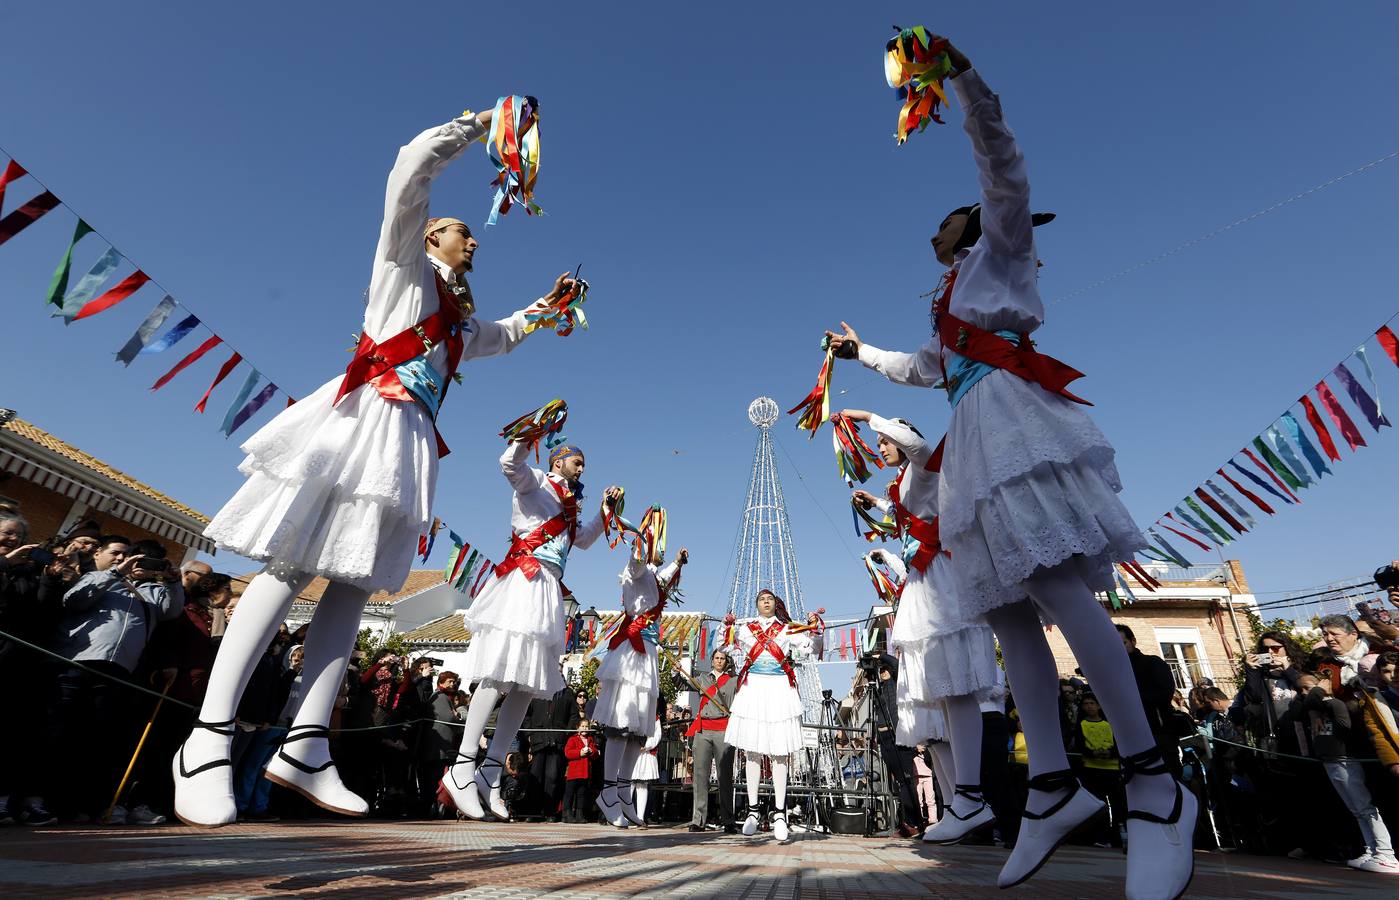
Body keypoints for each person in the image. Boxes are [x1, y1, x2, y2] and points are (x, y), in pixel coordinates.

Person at [826, 35, 1194, 897]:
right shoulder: (949, 297)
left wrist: (959, 79)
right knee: (1004, 610)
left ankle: (1151, 781)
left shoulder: (1000, 245)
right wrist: (857, 352)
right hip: (972, 429)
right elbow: (922, 367)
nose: (936, 227)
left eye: (943, 218)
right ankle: (1054, 785)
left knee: (1057, 590)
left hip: (1010, 419)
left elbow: (1000, 162)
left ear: (971, 222)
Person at [173, 103, 582, 828]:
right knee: (289, 565)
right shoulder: (403, 265)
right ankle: (204, 739)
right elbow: (406, 171)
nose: (473, 247)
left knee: (355, 584)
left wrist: (548, 307)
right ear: (432, 235)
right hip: (363, 418)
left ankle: (304, 743)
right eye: (464, 235)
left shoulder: (456, 324)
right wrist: (476, 124)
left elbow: (506, 335)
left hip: (409, 440)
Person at [845, 408, 1001, 844]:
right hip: (923, 580)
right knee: (943, 691)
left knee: (956, 688)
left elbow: (918, 448)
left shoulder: (926, 466)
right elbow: (905, 513)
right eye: (878, 443)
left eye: (884, 443)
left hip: (943, 579)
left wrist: (869, 417)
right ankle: (962, 802)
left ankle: (969, 797)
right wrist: (874, 503)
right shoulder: (903, 485)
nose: (880, 448)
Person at [444, 439, 618, 820]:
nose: (582, 468)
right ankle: (461, 766)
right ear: (557, 460)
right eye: (578, 460)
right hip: (524, 579)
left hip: (548, 589)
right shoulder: (536, 480)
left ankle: (489, 774)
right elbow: (509, 465)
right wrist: (526, 437)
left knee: (526, 686)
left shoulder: (572, 504)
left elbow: (583, 541)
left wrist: (606, 511)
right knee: (498, 673)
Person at [50, 537, 185, 823]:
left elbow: (171, 611)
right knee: (60, 731)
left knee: (97, 737)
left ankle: (81, 803)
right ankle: (41, 798)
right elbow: (74, 600)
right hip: (77, 661)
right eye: (121, 555)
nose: (128, 561)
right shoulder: (97, 576)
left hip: (120, 670)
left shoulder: (152, 591)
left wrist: (173, 582)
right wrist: (117, 574)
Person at [590, 509, 686, 828]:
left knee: (637, 733)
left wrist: (678, 562)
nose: (656, 548)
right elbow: (638, 566)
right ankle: (608, 791)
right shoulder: (635, 570)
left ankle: (623, 793)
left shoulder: (653, 579)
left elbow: (661, 577)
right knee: (620, 725)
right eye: (653, 543)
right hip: (631, 653)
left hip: (647, 655)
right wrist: (641, 541)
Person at [722, 589, 824, 843]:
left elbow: (812, 648)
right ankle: (753, 811)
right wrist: (729, 626)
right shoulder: (746, 629)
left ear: (775, 604)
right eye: (761, 599)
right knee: (752, 752)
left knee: (780, 753)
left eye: (769, 599)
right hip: (754, 687)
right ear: (756, 604)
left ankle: (780, 813)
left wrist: (814, 628)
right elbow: (723, 646)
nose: (766, 602)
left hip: (779, 687)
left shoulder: (788, 629)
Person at [0, 514, 72, 826]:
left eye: (17, 535)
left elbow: (41, 612)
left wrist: (50, 578)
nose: (11, 540)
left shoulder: (30, 572)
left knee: (11, 734)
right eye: (5, 533)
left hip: (17, 664)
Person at [1302, 657, 1399, 874]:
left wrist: (1319, 692)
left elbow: (1340, 722)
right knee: (1356, 809)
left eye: (1309, 688)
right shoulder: (1320, 706)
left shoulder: (1334, 703)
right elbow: (1307, 705)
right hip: (1332, 760)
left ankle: (1385, 853)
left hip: (1344, 759)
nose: (1305, 693)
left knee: (1364, 808)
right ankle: (1372, 849)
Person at [687, 649, 738, 833]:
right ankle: (698, 820)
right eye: (716, 658)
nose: (719, 661)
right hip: (703, 730)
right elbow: (684, 684)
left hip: (724, 730)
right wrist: (677, 672)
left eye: (722, 658)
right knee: (700, 777)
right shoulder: (702, 678)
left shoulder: (734, 680)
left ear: (727, 661)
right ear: (712, 660)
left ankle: (728, 820)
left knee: (725, 777)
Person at [1074, 694, 1123, 849]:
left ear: (1099, 706)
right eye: (1086, 704)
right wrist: (1091, 753)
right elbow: (1080, 744)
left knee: (1117, 805)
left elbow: (1118, 743)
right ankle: (1101, 836)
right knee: (1098, 804)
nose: (1089, 706)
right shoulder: (1081, 724)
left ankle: (1117, 837)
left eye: (1092, 703)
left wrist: (1110, 752)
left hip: (1112, 767)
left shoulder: (1109, 724)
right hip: (1092, 767)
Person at [563, 719, 598, 824]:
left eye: (587, 726)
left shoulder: (590, 740)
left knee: (581, 793)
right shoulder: (572, 739)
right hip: (574, 772)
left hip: (585, 772)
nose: (585, 729)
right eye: (582, 726)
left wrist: (592, 752)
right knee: (569, 793)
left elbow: (595, 753)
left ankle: (579, 814)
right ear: (578, 727)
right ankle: (567, 814)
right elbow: (567, 753)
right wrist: (579, 753)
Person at [630, 713, 662, 827]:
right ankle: (626, 815)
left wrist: (646, 745)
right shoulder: (633, 711)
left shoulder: (654, 717)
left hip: (646, 753)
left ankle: (640, 817)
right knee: (629, 785)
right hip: (632, 751)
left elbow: (657, 734)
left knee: (642, 786)